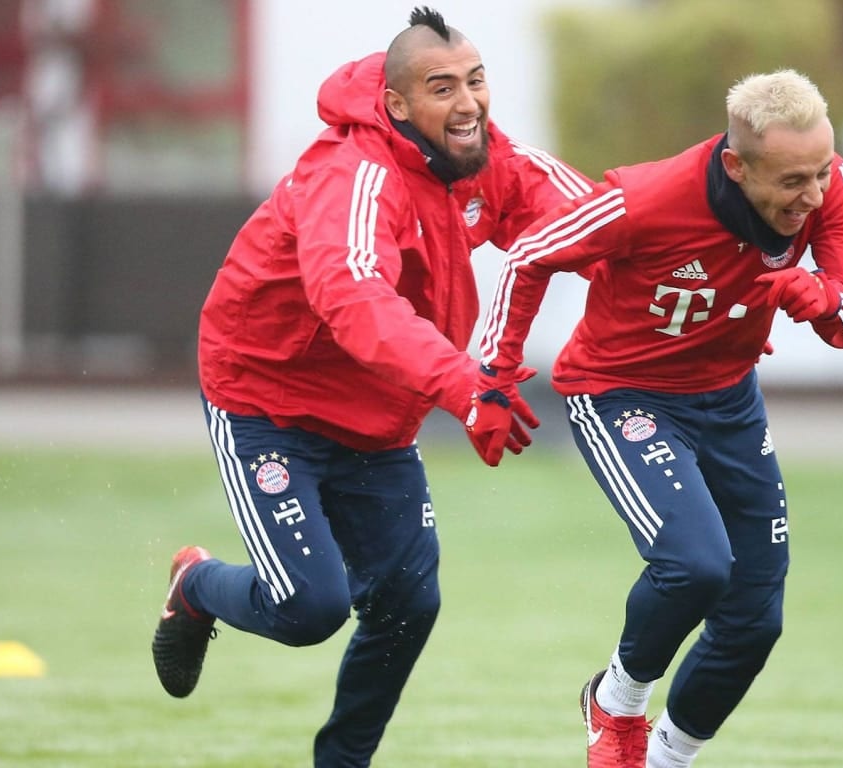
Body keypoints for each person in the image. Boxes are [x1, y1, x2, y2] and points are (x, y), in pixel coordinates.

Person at [149, 7, 590, 766]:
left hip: (380, 414)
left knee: (409, 603)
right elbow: (355, 297)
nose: (468, 104)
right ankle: (196, 586)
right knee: (307, 606)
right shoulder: (352, 174)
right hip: (268, 400)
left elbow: (597, 221)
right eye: (442, 87)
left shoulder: (485, 156)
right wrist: (465, 385)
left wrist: (711, 267)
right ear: (396, 104)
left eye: (476, 82)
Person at [476, 69, 843, 767]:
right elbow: (529, 254)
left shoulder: (828, 184)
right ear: (736, 164)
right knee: (696, 565)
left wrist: (820, 297)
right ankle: (617, 702)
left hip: (728, 399)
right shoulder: (643, 199)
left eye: (820, 172)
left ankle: (667, 759)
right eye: (791, 181)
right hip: (620, 393)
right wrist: (492, 375)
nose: (811, 195)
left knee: (755, 621)